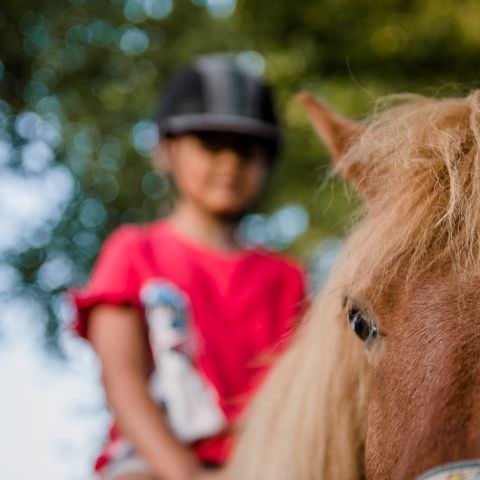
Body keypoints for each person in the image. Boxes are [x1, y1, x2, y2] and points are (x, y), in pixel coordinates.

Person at [70, 54, 307, 480]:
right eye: (211, 144)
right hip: (154, 463)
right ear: (165, 151)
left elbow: (301, 395)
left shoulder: (288, 278)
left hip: (267, 465)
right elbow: (123, 381)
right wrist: (189, 476)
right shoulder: (134, 252)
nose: (230, 162)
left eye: (248, 150)